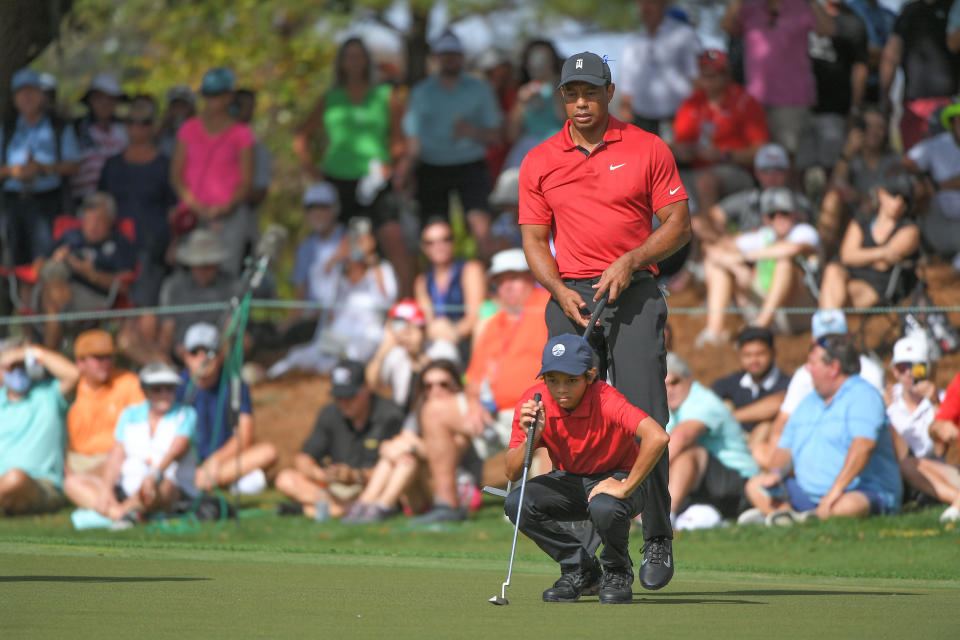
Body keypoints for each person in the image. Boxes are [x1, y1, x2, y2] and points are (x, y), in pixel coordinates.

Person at [519, 51, 691, 590]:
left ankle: (657, 535)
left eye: (590, 92)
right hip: (571, 299)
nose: (581, 102)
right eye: (571, 93)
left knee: (646, 415)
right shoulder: (540, 159)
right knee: (570, 418)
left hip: (634, 294)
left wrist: (632, 260)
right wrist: (557, 289)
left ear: (610, 92)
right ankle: (584, 560)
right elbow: (533, 239)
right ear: (562, 98)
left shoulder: (647, 147)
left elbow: (679, 226)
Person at [504, 334, 669, 603]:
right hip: (570, 481)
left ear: (590, 375)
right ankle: (581, 568)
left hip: (618, 477)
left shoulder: (606, 397)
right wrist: (532, 437)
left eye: (571, 380)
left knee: (604, 506)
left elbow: (658, 436)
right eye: (552, 380)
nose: (561, 389)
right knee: (517, 501)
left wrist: (626, 485)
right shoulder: (534, 404)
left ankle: (617, 570)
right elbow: (511, 472)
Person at [415, 248, 549, 523]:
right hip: (495, 414)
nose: (507, 286)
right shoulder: (493, 323)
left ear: (530, 278)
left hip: (538, 412)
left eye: (515, 278)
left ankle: (544, 508)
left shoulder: (548, 307)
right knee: (435, 410)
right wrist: (474, 402)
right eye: (501, 280)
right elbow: (474, 378)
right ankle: (446, 504)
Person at [292, 38, 412, 294]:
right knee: (342, 246)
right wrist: (312, 171)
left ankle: (407, 303)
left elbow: (400, 140)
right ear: (341, 62)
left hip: (376, 178)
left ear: (367, 60)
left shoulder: (385, 95)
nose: (354, 61)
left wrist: (395, 167)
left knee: (391, 237)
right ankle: (331, 309)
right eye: (349, 56)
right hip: (337, 179)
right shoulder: (330, 98)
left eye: (359, 56)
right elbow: (301, 137)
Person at [742, 334, 901, 522]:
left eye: (812, 363)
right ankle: (792, 517)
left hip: (858, 491)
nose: (807, 369)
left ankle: (788, 517)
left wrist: (835, 492)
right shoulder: (808, 402)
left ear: (833, 368)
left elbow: (863, 446)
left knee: (847, 507)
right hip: (807, 494)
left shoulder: (863, 396)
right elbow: (785, 448)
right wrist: (776, 474)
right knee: (755, 485)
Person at [397, 30, 503, 260]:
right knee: (434, 231)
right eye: (444, 54)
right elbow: (413, 140)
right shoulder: (421, 92)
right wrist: (404, 171)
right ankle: (438, 291)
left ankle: (490, 285)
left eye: (453, 54)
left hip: (471, 164)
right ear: (435, 57)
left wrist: (471, 131)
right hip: (431, 166)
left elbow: (497, 134)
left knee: (481, 227)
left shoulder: (480, 88)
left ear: (461, 57)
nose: (449, 59)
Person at [67, 362, 198, 524]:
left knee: (158, 488)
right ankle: (121, 514)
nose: (164, 394)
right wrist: (107, 489)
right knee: (71, 483)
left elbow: (176, 450)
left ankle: (119, 514)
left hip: (167, 486)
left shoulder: (185, 414)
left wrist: (153, 476)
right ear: (145, 390)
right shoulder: (130, 414)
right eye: (157, 389)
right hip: (127, 486)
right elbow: (117, 455)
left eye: (169, 389)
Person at [267, 215, 397, 378]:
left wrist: (371, 262)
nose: (358, 244)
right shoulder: (337, 270)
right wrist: (338, 255)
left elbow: (387, 301)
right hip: (335, 337)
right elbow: (319, 290)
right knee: (298, 356)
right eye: (354, 239)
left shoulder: (382, 269)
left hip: (364, 340)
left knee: (342, 366)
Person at [274, 360, 404, 520]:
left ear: (366, 388)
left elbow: (397, 467)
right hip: (335, 490)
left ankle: (321, 509)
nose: (344, 403)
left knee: (387, 486)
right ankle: (344, 508)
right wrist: (321, 475)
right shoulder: (330, 413)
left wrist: (354, 476)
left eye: (350, 396)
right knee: (285, 479)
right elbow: (303, 458)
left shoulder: (389, 416)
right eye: (339, 396)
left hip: (371, 487)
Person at [343, 359, 462, 524]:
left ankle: (381, 507)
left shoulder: (462, 412)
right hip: (423, 488)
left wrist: (411, 447)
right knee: (402, 456)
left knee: (407, 457)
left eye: (443, 384)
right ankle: (367, 503)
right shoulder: (421, 409)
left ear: (455, 385)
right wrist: (399, 448)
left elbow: (453, 453)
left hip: (456, 489)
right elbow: (404, 438)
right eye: (428, 386)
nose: (435, 390)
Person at [700, 186, 821, 344]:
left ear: (795, 214)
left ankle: (759, 328)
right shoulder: (764, 236)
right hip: (766, 305)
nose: (779, 218)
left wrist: (743, 257)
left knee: (784, 262)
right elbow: (713, 249)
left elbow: (792, 249)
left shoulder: (804, 231)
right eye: (772, 214)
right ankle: (714, 332)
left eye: (784, 213)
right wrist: (737, 268)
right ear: (765, 219)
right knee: (716, 265)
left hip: (799, 313)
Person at [722, 0, 836, 155]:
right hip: (755, 100)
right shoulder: (750, 7)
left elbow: (828, 29)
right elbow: (727, 26)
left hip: (792, 101)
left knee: (788, 159)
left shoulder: (801, 6)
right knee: (757, 157)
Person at [171, 67, 255, 276]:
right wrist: (194, 204)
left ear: (229, 97)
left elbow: (246, 182)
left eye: (217, 95)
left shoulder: (241, 133)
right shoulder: (188, 129)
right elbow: (176, 175)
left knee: (225, 276)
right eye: (207, 95)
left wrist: (224, 208)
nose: (211, 101)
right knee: (188, 276)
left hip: (228, 219)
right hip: (192, 216)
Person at [177, 323, 277, 494]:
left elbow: (244, 435)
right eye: (194, 352)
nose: (202, 358)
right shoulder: (174, 386)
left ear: (220, 355)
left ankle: (206, 480)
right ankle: (217, 481)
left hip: (224, 461)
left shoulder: (235, 385)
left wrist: (214, 461)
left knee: (268, 452)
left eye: (209, 352)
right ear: (185, 355)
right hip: (185, 462)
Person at [98, 96, 178, 309]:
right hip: (115, 249)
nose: (137, 128)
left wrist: (174, 243)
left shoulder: (165, 165)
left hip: (152, 249)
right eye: (131, 122)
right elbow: (100, 205)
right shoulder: (112, 165)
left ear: (153, 126)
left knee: (145, 306)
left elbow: (174, 209)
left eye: (144, 123)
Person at [664, 353, 759, 524]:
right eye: (662, 384)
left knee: (688, 452)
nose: (668, 389)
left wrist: (642, 478)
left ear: (689, 379)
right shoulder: (672, 410)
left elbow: (681, 438)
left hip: (742, 481)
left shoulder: (702, 400)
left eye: (674, 382)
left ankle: (665, 516)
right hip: (711, 485)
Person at [671, 49, 769, 214]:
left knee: (706, 182)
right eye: (704, 75)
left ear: (725, 76)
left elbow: (761, 151)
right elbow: (677, 144)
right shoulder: (691, 103)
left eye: (714, 75)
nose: (709, 82)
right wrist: (681, 152)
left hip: (736, 171)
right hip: (694, 169)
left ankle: (708, 237)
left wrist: (724, 155)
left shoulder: (745, 102)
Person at [36, 191, 137, 349]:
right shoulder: (70, 237)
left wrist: (90, 274)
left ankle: (46, 358)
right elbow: (38, 266)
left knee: (52, 302)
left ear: (110, 221)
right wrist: (55, 258)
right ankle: (49, 357)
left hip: (92, 297)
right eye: (88, 219)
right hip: (55, 291)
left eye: (99, 220)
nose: (92, 226)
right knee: (53, 288)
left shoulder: (119, 244)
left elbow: (123, 287)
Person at [0, 69, 80, 265]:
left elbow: (74, 166)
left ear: (42, 96)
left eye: (32, 91)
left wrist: (44, 168)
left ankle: (43, 296)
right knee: (16, 262)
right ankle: (20, 296)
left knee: (45, 261)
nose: (27, 97)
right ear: (14, 98)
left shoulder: (59, 127)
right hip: (13, 203)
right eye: (21, 92)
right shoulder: (7, 129)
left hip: (48, 203)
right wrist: (13, 171)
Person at [884, 334, 960, 522]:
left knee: (910, 464)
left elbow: (941, 450)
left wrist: (934, 404)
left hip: (938, 469)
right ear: (895, 371)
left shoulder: (942, 398)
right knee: (907, 464)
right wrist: (885, 412)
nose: (910, 373)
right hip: (903, 474)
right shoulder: (888, 404)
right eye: (903, 367)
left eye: (917, 367)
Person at [818, 173, 921, 310]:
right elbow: (847, 256)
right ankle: (831, 325)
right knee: (832, 270)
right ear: (881, 194)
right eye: (894, 195)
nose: (898, 202)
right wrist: (881, 253)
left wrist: (859, 254)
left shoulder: (910, 229)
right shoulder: (862, 220)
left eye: (905, 199)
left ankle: (830, 324)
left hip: (878, 285)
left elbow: (882, 266)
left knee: (834, 293)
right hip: (845, 276)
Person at [0, 341, 79, 515]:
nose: (18, 371)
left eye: (23, 364)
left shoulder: (49, 396)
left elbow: (73, 375)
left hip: (42, 485)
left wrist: (32, 352)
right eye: (12, 367)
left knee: (15, 479)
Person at [797, 0, 868, 190]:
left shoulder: (854, 23)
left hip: (835, 109)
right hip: (799, 107)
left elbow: (860, 68)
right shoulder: (801, 15)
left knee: (834, 168)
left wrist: (854, 107)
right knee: (797, 167)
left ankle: (830, 213)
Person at [819, 105, 902, 260]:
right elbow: (834, 187)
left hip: (884, 215)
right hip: (851, 216)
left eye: (880, 127)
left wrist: (863, 198)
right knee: (831, 200)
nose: (874, 132)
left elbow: (899, 196)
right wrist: (847, 154)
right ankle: (822, 262)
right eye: (868, 126)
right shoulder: (850, 158)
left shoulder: (894, 160)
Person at [880, 0, 960, 151]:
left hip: (947, 101)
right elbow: (892, 54)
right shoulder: (909, 10)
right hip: (913, 102)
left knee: (945, 163)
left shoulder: (954, 6)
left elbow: (953, 44)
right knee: (914, 159)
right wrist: (884, 92)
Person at [63, 330, 143, 478]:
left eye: (109, 357)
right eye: (98, 357)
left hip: (118, 458)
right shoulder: (70, 389)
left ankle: (81, 483)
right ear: (80, 362)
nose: (105, 363)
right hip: (78, 460)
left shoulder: (128, 381)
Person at [617, 0, 701, 137]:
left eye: (651, 3)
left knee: (676, 158)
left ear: (663, 4)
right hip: (642, 121)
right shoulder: (635, 41)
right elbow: (627, 87)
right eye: (641, 3)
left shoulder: (684, 35)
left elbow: (697, 78)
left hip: (678, 119)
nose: (645, 7)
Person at [154, 229, 237, 361]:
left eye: (209, 265)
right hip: (181, 353)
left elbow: (231, 325)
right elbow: (167, 329)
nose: (204, 270)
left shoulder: (231, 285)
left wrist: (217, 357)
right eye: (200, 265)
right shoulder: (174, 286)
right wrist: (174, 356)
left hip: (218, 354)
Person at [711, 326, 789, 463]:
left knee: (766, 424)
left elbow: (779, 402)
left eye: (760, 354)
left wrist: (730, 417)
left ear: (773, 353)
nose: (754, 360)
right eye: (747, 355)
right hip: (734, 444)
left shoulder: (787, 383)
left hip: (769, 452)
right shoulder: (731, 382)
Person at [364, 299, 458, 410]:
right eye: (399, 327)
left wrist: (417, 357)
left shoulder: (442, 350)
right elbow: (372, 385)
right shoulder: (396, 355)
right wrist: (383, 349)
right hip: (404, 417)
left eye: (410, 328)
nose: (405, 335)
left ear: (423, 328)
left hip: (438, 412)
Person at [412, 218, 486, 346]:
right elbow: (428, 321)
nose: (439, 246)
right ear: (424, 248)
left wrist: (449, 335)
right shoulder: (422, 281)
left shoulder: (470, 269)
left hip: (466, 341)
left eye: (445, 239)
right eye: (430, 242)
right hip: (436, 340)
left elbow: (473, 317)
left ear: (453, 242)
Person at [904, 101, 960, 268]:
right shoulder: (936, 145)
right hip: (941, 224)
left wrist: (936, 186)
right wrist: (919, 183)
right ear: (952, 122)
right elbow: (904, 164)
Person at [286, 182, 345, 339]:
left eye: (323, 207)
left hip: (343, 320)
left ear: (335, 209)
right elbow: (300, 295)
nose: (317, 214)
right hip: (311, 322)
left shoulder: (351, 239)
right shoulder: (305, 248)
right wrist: (285, 326)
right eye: (311, 208)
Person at [505, 39, 566, 168]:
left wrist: (555, 87)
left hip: (557, 148)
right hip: (529, 149)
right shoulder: (522, 91)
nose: (539, 63)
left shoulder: (565, 88)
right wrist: (521, 103)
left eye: (544, 58)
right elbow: (512, 135)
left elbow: (566, 120)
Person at [71, 72, 129, 203]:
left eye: (110, 99)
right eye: (99, 98)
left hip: (118, 200)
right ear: (90, 100)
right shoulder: (77, 129)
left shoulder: (125, 129)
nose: (105, 103)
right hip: (85, 202)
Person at [846, 0, 897, 103]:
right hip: (850, 85)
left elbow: (897, 55)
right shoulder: (850, 10)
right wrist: (887, 56)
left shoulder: (889, 16)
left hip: (879, 88)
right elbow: (853, 51)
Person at [156, 86, 196, 158]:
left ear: (191, 109)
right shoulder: (162, 131)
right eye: (175, 106)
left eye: (183, 106)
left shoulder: (199, 131)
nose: (178, 110)